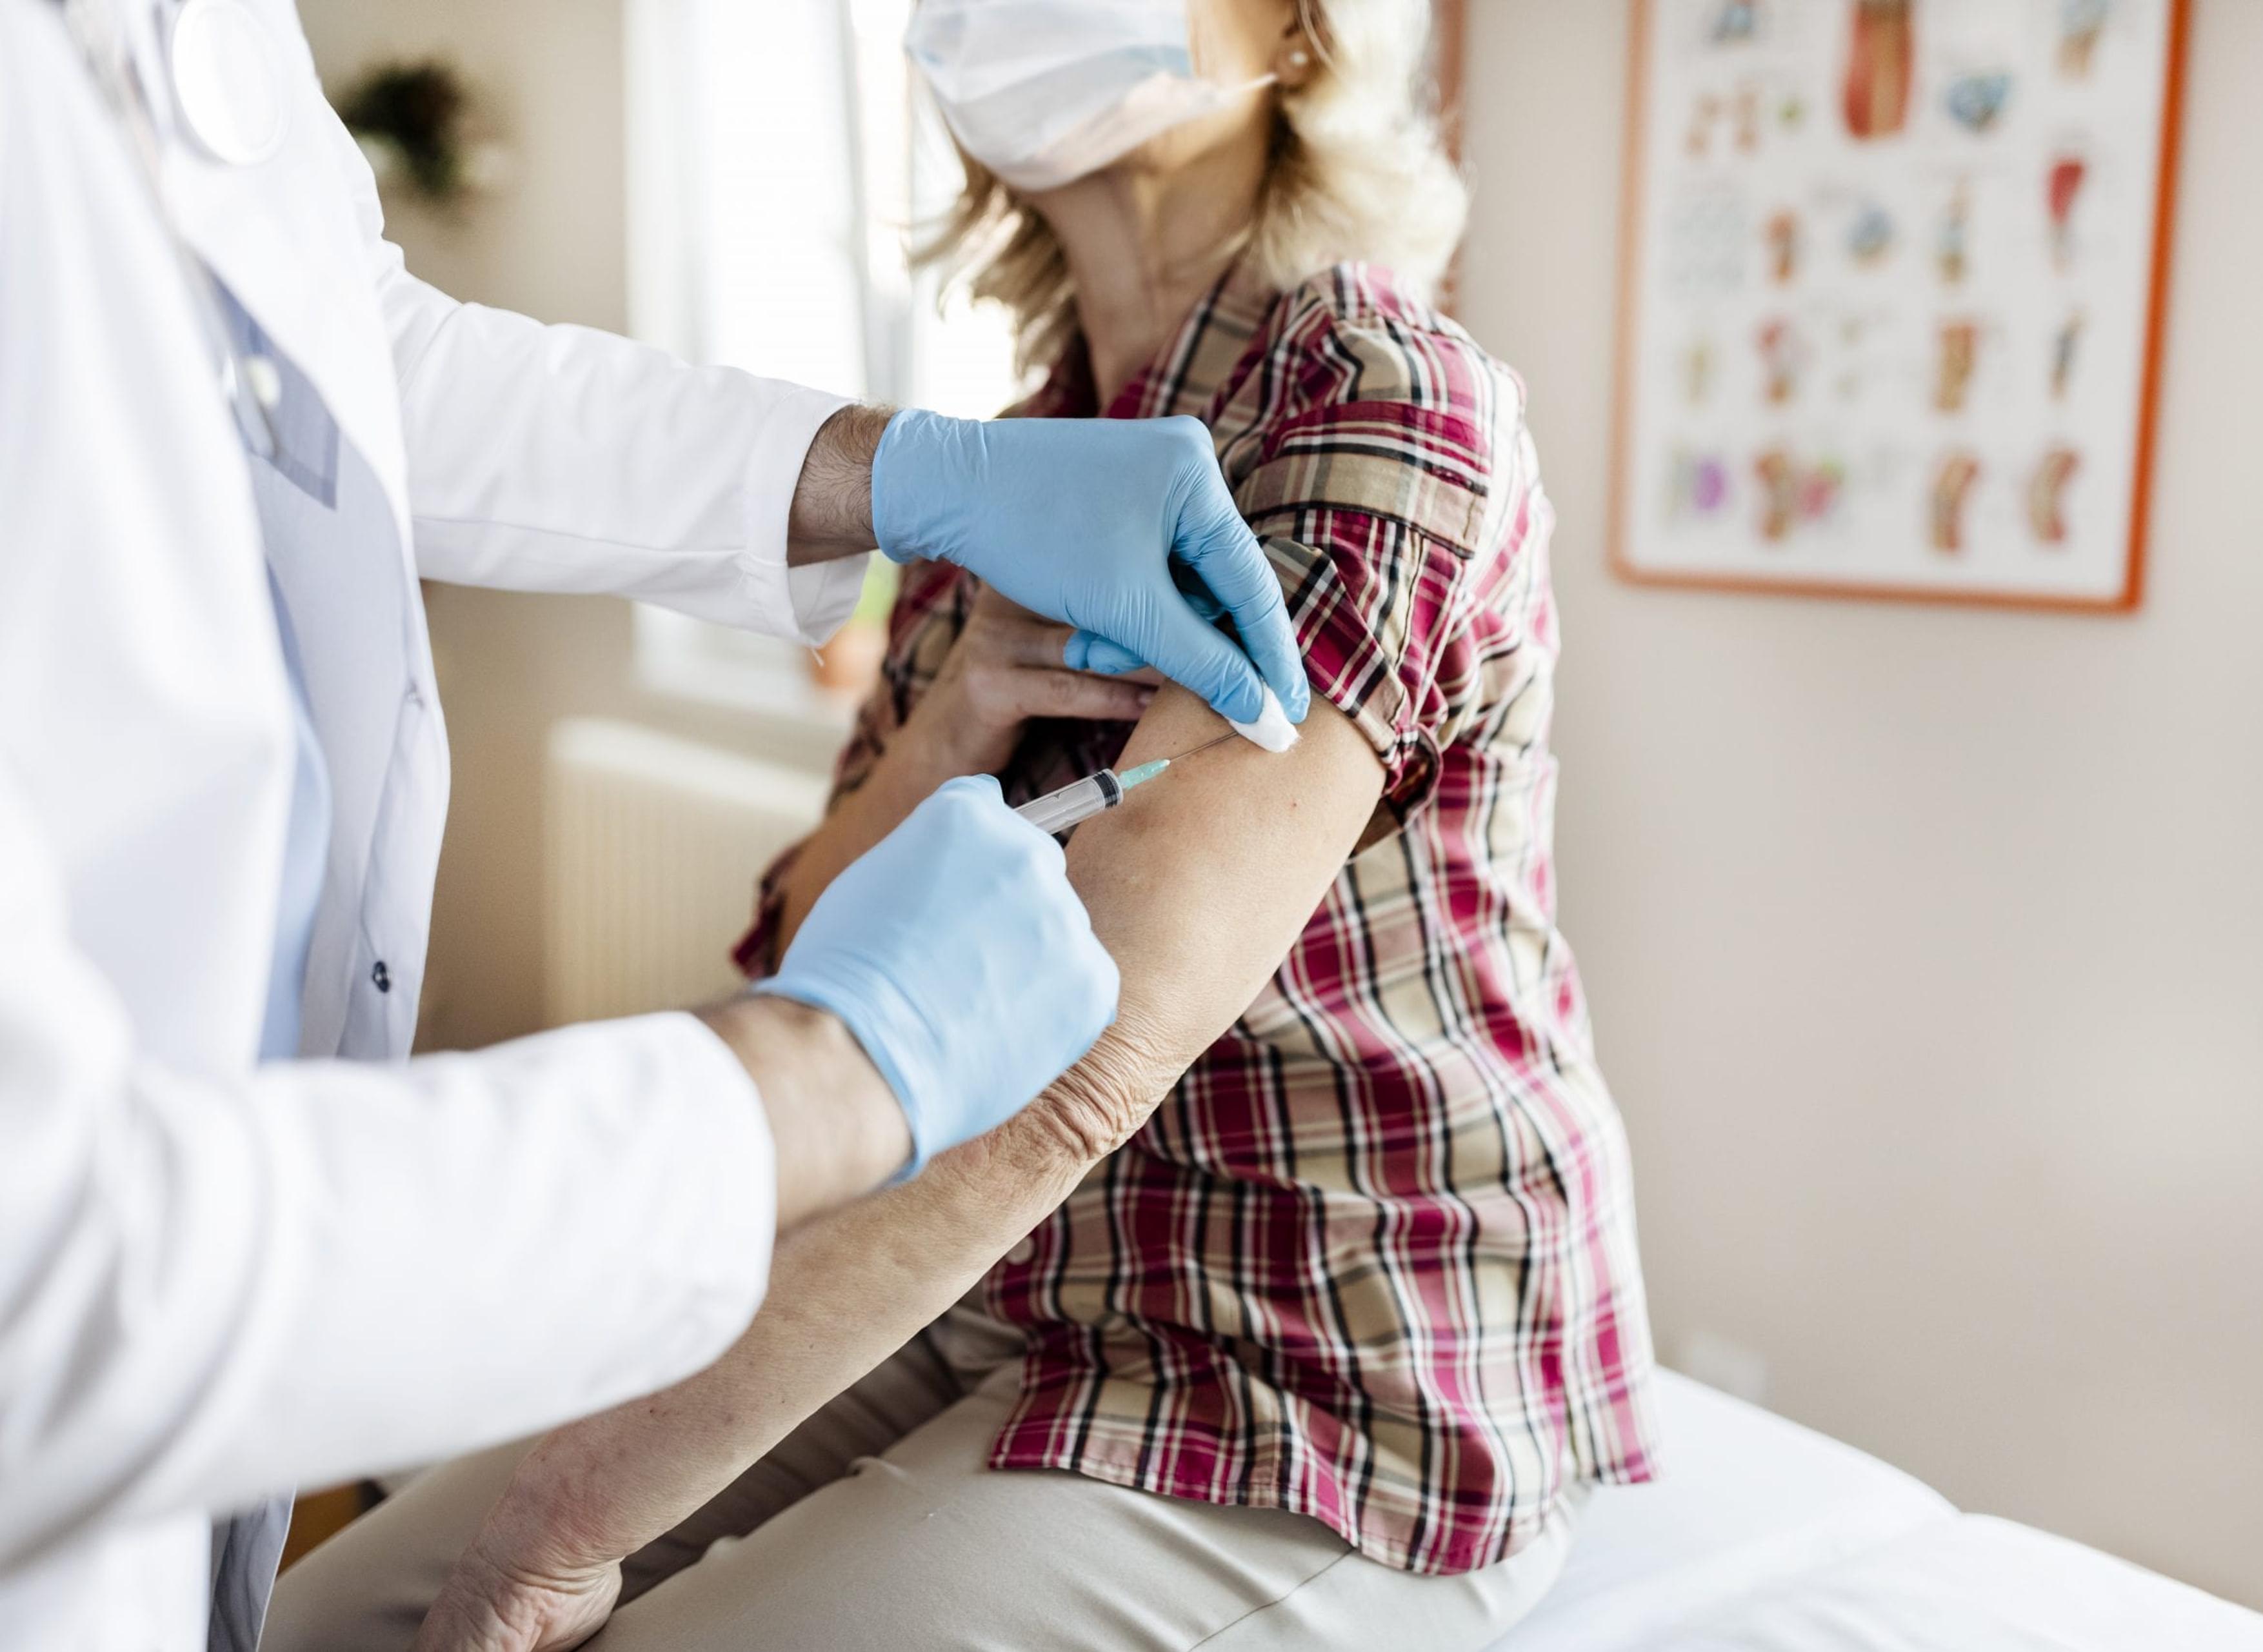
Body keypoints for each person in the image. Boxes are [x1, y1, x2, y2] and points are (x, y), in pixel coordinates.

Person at [270, 1, 1658, 1649]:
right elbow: (810, 947)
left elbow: (1088, 1066)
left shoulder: (1374, 403)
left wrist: (562, 1539)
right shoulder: (1008, 455)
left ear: (1298, 30)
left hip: (1318, 1349)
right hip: (1000, 1296)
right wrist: (950, 720)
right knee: (325, 1628)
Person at [0, 0, 1309, 1649]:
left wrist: (896, 471)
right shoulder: (1059, 420)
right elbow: (51, 1281)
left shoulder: (1353, 405)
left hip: (1234, 1375)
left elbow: (349, 356)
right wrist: (823, 1070)